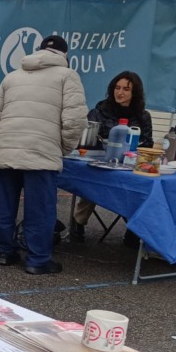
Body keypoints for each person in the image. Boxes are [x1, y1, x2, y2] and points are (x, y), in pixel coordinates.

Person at [0, 34, 86, 275]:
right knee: (40, 209)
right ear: (65, 55)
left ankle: (5, 252)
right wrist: (62, 148)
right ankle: (37, 259)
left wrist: (8, 139)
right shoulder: (68, 76)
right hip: (42, 153)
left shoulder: (12, 76)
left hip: (8, 151)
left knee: (6, 206)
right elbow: (74, 121)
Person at [70, 71, 154, 242]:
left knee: (137, 188)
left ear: (134, 93)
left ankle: (134, 229)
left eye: (126, 89)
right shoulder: (98, 112)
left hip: (129, 166)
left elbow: (148, 144)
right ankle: (78, 223)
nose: (120, 92)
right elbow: (87, 142)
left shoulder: (143, 116)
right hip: (100, 163)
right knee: (92, 183)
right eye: (117, 88)